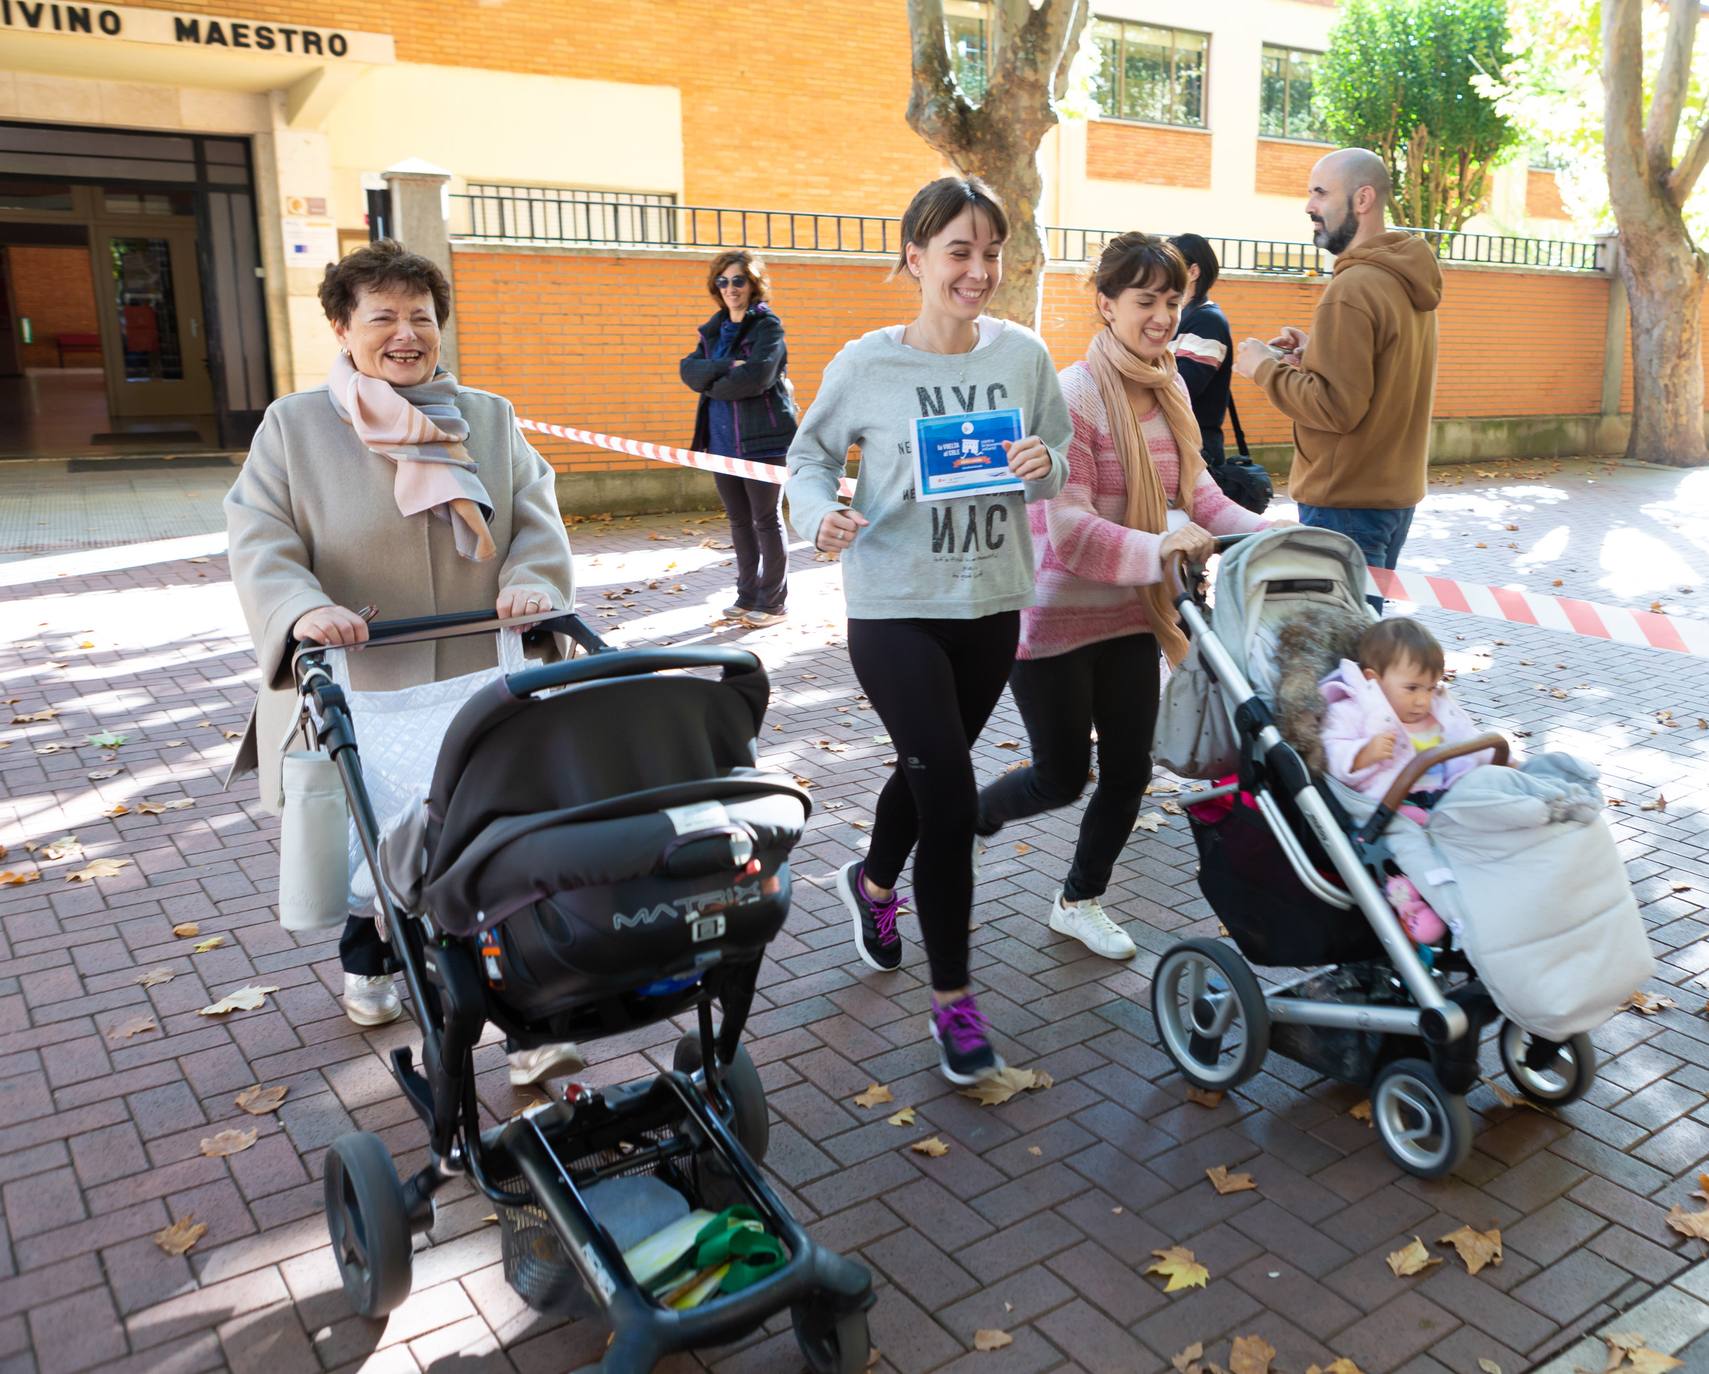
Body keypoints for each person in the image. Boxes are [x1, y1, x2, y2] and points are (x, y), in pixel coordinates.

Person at [224, 239, 583, 1087]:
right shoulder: (296, 426)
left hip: (477, 670)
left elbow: (536, 515)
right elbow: (261, 535)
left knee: (489, 847)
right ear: (344, 328)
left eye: (420, 316)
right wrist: (301, 608)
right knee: (379, 832)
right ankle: (369, 955)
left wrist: (532, 582)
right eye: (381, 315)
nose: (404, 332)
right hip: (361, 676)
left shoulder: (487, 417)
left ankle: (529, 1027)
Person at [785, 176, 1070, 1084]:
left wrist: (1041, 462)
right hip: (893, 602)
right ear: (913, 256)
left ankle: (871, 885)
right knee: (948, 793)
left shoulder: (1023, 357)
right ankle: (954, 1002)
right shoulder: (866, 363)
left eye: (991, 252)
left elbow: (1053, 462)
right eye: (959, 250)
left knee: (926, 770)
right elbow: (807, 456)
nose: (979, 270)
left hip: (989, 604)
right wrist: (813, 514)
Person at [977, 234, 1269, 959]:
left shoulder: (1165, 386)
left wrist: (1272, 537)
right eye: (1145, 301)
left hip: (1133, 614)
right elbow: (1068, 529)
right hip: (1052, 619)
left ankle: (1078, 898)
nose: (1162, 316)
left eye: (1172, 300)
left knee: (1130, 771)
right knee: (1060, 775)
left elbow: (1198, 496)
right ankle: (970, 822)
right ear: (1106, 304)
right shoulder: (1071, 395)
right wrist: (1157, 549)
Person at [1232, 147, 1442, 598]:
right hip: (1391, 497)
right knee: (1361, 649)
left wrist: (1264, 368)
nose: (1309, 205)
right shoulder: (1404, 279)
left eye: (1321, 193)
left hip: (1345, 503)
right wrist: (1315, 353)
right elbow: (1384, 376)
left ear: (1363, 199)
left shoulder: (1352, 288)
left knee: (1336, 655)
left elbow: (1335, 409)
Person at [1320, 616, 1493, 943]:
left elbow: (1465, 738)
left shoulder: (1437, 709)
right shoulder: (1351, 710)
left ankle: (1483, 894)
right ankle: (1448, 916)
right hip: (1392, 809)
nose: (1422, 700)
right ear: (1373, 679)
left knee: (1480, 828)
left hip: (1444, 800)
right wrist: (1364, 753)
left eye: (1431, 687)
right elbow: (1332, 753)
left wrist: (1497, 761)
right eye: (1412, 688)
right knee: (1417, 849)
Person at [680, 251, 797, 626]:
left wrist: (715, 381)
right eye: (723, 282)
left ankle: (773, 602)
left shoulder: (767, 327)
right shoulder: (713, 330)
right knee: (738, 521)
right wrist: (727, 367)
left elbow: (758, 378)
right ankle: (747, 595)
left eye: (738, 281)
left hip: (764, 441)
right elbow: (689, 371)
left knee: (766, 519)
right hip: (721, 442)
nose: (730, 289)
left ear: (753, 284)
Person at [1167, 234, 1234, 464]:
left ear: (1193, 272)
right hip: (1177, 443)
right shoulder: (1177, 317)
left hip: (1196, 450)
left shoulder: (1207, 322)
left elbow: (1182, 388)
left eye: (1169, 265)